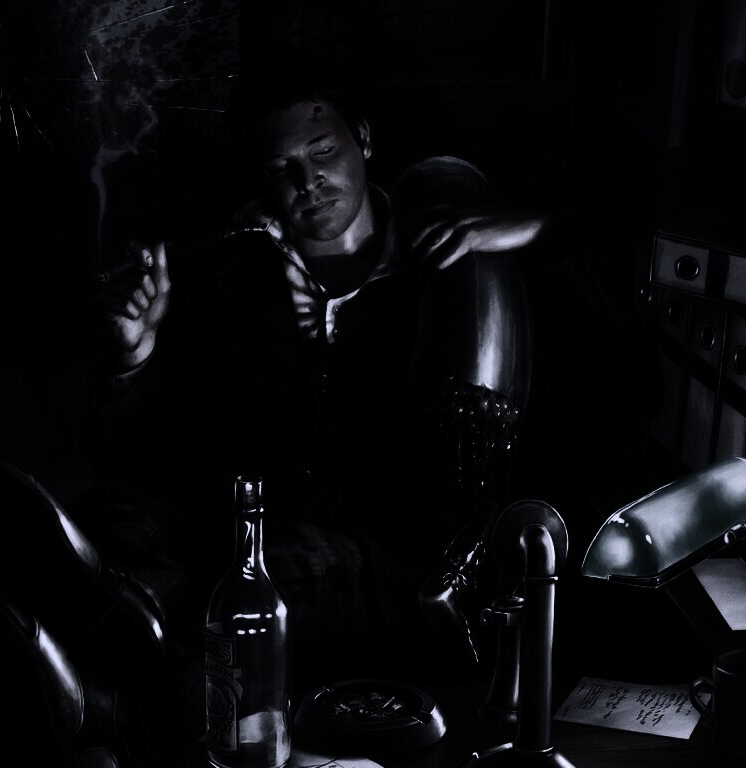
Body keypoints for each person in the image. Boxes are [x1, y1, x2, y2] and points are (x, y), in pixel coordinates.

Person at [75, 55, 551, 762]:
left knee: (281, 576)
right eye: (282, 169)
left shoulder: (444, 272)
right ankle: (61, 665)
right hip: (234, 529)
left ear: (364, 140)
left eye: (323, 152)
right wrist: (134, 354)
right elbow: (155, 450)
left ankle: (123, 719)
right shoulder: (227, 276)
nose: (308, 182)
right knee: (112, 522)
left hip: (386, 565)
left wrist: (537, 229)